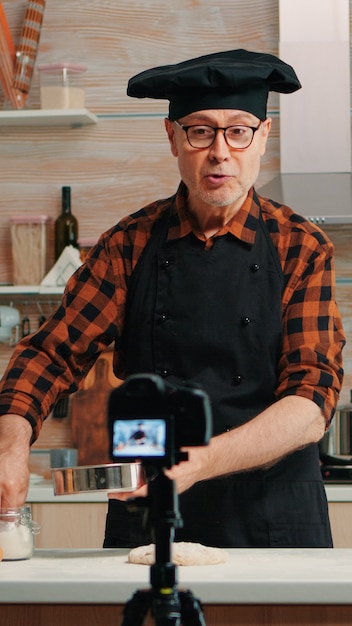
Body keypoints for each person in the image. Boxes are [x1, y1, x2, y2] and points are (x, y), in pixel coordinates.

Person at [0, 49, 345, 548]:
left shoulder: (301, 248)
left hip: (275, 518)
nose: (220, 152)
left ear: (262, 137)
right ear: (172, 137)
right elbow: (49, 354)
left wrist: (201, 460)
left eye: (239, 130)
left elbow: (312, 398)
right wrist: (11, 443)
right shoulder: (129, 245)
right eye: (200, 130)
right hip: (150, 513)